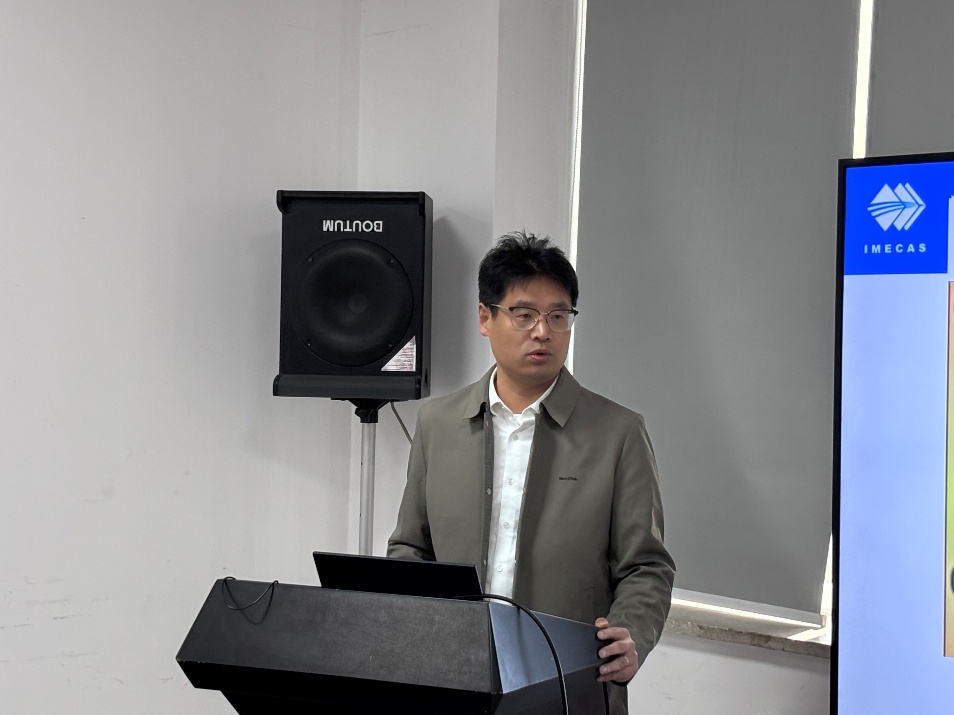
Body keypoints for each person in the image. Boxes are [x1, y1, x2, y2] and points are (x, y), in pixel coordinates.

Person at [387, 231, 675, 714]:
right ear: (485, 317)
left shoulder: (618, 433)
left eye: (558, 316)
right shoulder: (438, 423)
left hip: (567, 681)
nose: (543, 331)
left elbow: (646, 566)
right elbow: (410, 547)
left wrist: (632, 634)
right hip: (450, 677)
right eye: (524, 315)